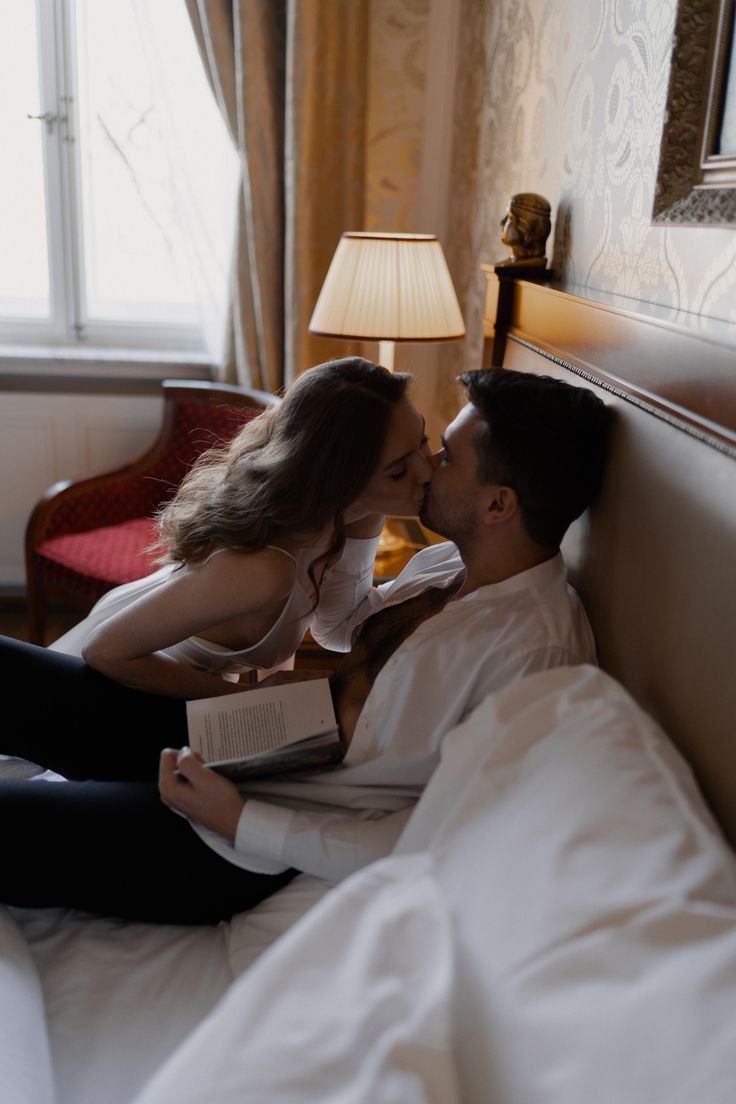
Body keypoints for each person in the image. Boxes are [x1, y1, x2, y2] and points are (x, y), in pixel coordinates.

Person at [0, 367, 610, 925]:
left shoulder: (532, 652)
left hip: (244, 833)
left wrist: (241, 820)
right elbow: (349, 627)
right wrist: (366, 513)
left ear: (500, 504)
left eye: (446, 457)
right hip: (263, 738)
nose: (427, 468)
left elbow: (443, 830)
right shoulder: (444, 563)